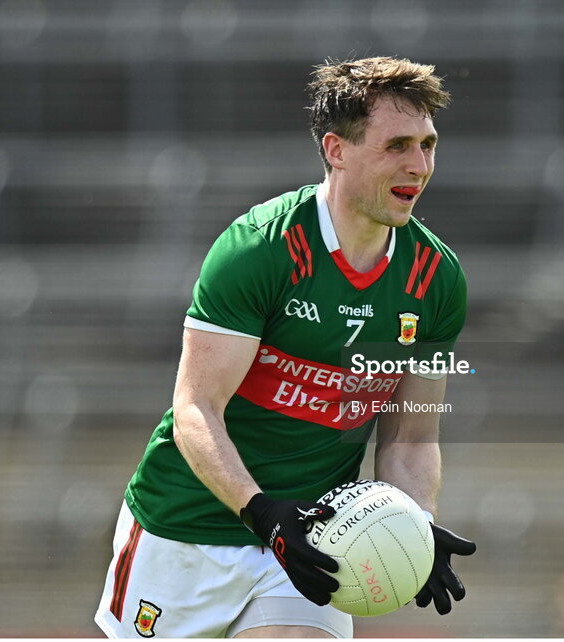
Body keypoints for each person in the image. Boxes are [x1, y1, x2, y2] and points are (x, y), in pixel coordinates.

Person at [94, 56, 476, 639]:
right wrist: (264, 514)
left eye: (428, 144)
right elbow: (197, 410)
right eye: (397, 145)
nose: (419, 166)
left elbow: (411, 433)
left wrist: (415, 525)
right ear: (336, 149)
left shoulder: (435, 279)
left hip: (311, 541)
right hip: (188, 531)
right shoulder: (260, 251)